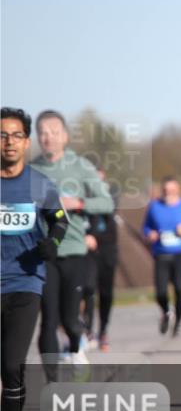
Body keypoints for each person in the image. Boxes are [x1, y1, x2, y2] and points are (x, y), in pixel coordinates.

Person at [1, 108, 68, 411]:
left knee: (11, 365)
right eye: (2, 135)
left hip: (26, 283)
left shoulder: (39, 184)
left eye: (15, 135)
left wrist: (52, 243)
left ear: (26, 142)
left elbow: (58, 220)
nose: (8, 142)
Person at [30, 110, 114, 369]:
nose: (48, 137)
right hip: (44, 254)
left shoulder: (80, 167)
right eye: (43, 132)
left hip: (74, 251)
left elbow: (106, 202)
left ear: (64, 136)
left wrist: (77, 202)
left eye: (54, 132)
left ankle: (76, 344)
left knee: (69, 317)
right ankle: (52, 383)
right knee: (48, 319)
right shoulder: (31, 170)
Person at [142, 176, 181, 336]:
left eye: (172, 190)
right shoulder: (154, 207)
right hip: (161, 253)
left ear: (178, 190)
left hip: (180, 252)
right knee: (160, 291)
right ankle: (166, 311)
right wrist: (150, 234)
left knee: (179, 288)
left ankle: (178, 322)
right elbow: (146, 228)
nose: (169, 193)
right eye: (166, 190)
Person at [81, 168, 119, 352]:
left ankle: (103, 330)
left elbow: (110, 215)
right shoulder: (82, 197)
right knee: (88, 288)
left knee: (106, 294)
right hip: (88, 250)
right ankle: (87, 331)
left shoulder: (110, 197)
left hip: (107, 250)